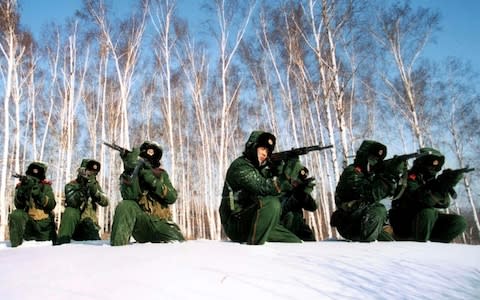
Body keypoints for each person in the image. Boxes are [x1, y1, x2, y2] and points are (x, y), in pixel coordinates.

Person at [219, 130, 301, 245]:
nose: (265, 154)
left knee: (294, 242)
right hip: (236, 223)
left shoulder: (259, 169)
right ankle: (254, 252)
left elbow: (280, 191)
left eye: (267, 151)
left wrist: (279, 168)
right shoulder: (240, 166)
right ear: (252, 146)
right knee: (272, 203)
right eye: (262, 148)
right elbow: (264, 187)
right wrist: (288, 172)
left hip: (254, 219)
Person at [110, 141, 185, 246]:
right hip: (142, 223)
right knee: (125, 205)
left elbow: (172, 197)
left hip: (161, 223)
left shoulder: (161, 174)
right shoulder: (131, 173)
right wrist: (129, 170)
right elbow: (128, 196)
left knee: (180, 244)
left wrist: (152, 180)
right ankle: (116, 250)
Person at [388, 148, 467, 242]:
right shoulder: (409, 178)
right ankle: (421, 249)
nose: (433, 168)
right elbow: (422, 199)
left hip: (425, 222)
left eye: (437, 165)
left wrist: (445, 186)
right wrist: (438, 188)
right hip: (404, 221)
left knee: (459, 222)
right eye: (431, 164)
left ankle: (436, 247)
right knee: (427, 212)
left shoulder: (432, 181)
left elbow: (444, 204)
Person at [330, 140, 396, 242]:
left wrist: (394, 176)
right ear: (364, 157)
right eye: (372, 159)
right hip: (349, 223)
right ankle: (366, 249)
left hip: (363, 221)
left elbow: (391, 194)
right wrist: (387, 177)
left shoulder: (370, 174)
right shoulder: (352, 172)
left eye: (377, 160)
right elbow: (368, 195)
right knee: (379, 209)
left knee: (388, 241)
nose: (375, 163)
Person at [55, 159, 109, 245]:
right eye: (89, 172)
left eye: (94, 173)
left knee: (94, 246)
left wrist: (94, 191)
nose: (91, 175)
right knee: (70, 212)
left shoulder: (95, 185)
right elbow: (72, 202)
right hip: (75, 224)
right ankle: (62, 243)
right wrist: (82, 189)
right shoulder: (71, 185)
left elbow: (105, 202)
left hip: (89, 224)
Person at [8, 162, 57, 247]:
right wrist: (21, 192)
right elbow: (18, 206)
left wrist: (39, 195)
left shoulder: (46, 187)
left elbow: (51, 204)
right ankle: (15, 247)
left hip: (44, 226)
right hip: (28, 225)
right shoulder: (22, 186)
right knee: (16, 214)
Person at [279, 157, 318, 241]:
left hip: (297, 227)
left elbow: (313, 207)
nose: (296, 184)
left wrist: (303, 194)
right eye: (294, 181)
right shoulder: (277, 187)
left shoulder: (297, 190)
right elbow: (282, 208)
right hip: (282, 230)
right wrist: (296, 196)